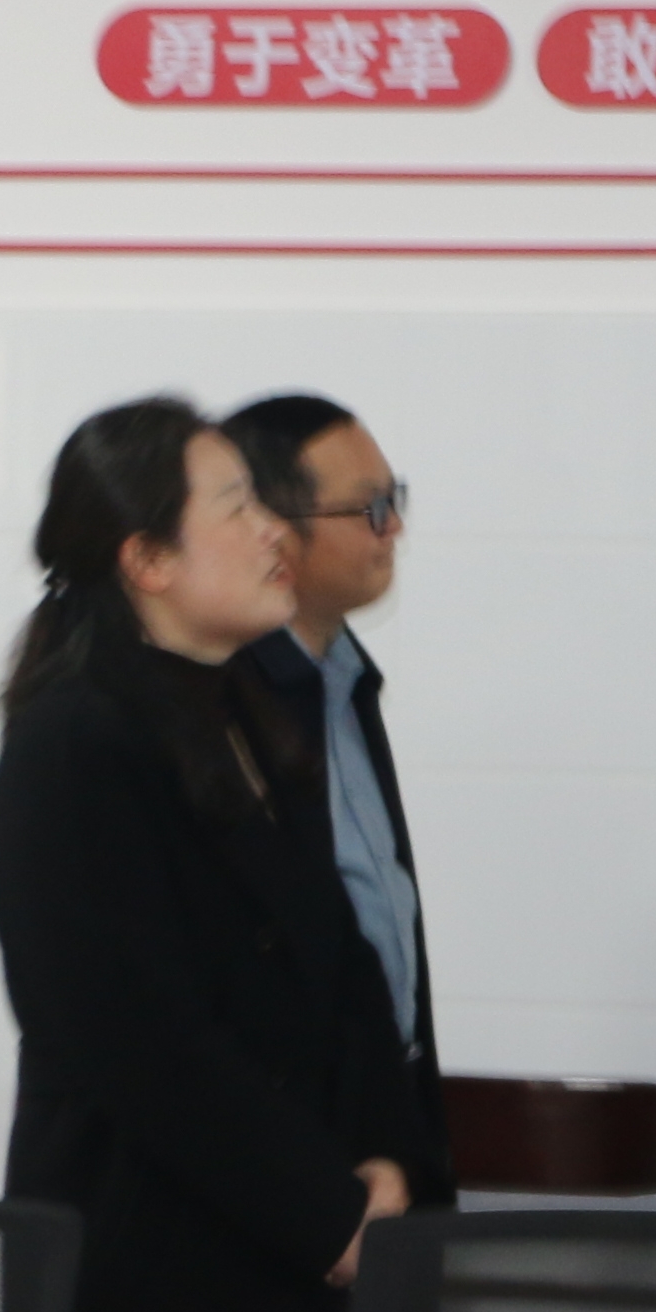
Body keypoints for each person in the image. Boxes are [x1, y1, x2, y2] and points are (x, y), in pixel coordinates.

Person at [0, 397, 446, 1312]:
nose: (274, 531)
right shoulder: (73, 746)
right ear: (148, 559)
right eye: (238, 509)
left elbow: (344, 963)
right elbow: (145, 1043)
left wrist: (387, 1159)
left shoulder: (246, 708)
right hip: (158, 1271)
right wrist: (327, 1213)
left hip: (296, 1248)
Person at [222, 395, 439, 1101]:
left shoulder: (346, 680)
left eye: (393, 498)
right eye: (369, 507)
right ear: (273, 531)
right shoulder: (226, 705)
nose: (393, 526)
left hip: (380, 1099)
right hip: (290, 1114)